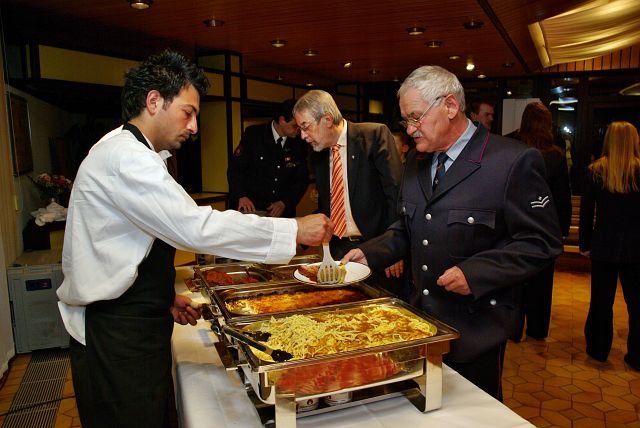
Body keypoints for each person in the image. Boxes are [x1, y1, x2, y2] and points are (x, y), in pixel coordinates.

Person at [57, 49, 332, 428]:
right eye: (188, 112)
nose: (194, 127)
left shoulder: (132, 152)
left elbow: (125, 248)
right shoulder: (126, 158)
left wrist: (163, 298)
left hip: (131, 318)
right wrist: (294, 229)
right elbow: (193, 227)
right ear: (154, 101)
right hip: (116, 333)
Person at [342, 66, 563, 400]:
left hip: (476, 329)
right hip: (422, 323)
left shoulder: (511, 161)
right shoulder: (417, 162)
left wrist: (476, 273)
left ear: (449, 106)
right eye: (406, 120)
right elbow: (408, 226)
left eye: (415, 117)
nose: (409, 130)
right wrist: (371, 253)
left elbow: (541, 242)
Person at [292, 90, 404, 290]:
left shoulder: (373, 136)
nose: (303, 136)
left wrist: (393, 249)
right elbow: (329, 204)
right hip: (338, 250)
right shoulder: (317, 153)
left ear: (327, 119)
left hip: (376, 249)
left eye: (306, 127)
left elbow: (396, 196)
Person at [579, 121, 640, 371]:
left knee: (601, 301)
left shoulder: (595, 171)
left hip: (603, 244)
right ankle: (637, 355)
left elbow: (587, 212)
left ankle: (598, 348)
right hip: (636, 247)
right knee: (637, 303)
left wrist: (584, 243)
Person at [510, 102, 572, 341]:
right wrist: (561, 231)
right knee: (542, 283)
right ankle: (537, 329)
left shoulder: (510, 145)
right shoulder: (555, 156)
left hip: (513, 224)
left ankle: (513, 329)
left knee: (514, 280)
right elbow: (561, 197)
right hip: (544, 227)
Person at [227, 99, 309, 217]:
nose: (299, 130)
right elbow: (235, 169)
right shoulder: (254, 135)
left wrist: (285, 202)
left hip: (282, 213)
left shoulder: (300, 142)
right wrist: (241, 195)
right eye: (295, 126)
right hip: (252, 208)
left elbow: (302, 179)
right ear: (282, 120)